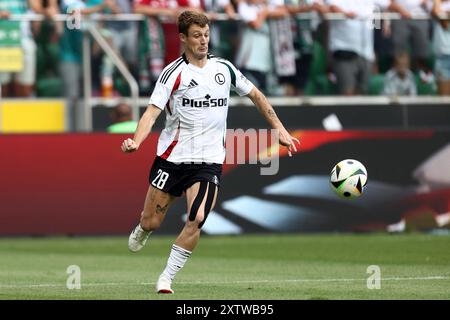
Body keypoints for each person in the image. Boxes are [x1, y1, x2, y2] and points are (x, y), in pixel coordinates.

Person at [121, 10, 300, 294]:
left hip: (208, 161)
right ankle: (143, 230)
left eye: (206, 35)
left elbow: (256, 95)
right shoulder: (173, 74)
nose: (203, 41)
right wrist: (136, 141)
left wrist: (279, 128)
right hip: (172, 159)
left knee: (198, 216)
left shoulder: (224, 69)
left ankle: (166, 277)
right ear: (183, 38)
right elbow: (151, 113)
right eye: (196, 36)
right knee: (151, 221)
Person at [431, 0, 450, 95]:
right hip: (442, 56)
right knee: (444, 98)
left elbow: (445, 23)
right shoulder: (436, 4)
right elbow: (436, 13)